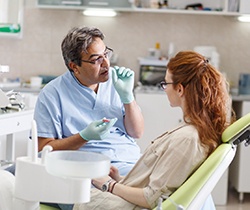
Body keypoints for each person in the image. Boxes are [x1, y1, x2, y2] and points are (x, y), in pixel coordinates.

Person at [73, 51, 234, 210]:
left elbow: (151, 198)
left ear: (180, 89)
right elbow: (163, 182)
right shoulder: (195, 132)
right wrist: (121, 179)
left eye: (166, 84)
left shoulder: (187, 138)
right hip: (135, 194)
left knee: (76, 196)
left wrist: (109, 185)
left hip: (137, 204)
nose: (164, 89)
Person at [33, 26, 144, 209]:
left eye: (106, 54)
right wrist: (83, 137)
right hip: (84, 171)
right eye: (96, 60)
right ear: (74, 66)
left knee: (166, 192)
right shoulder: (53, 94)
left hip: (128, 165)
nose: (106, 64)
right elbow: (43, 149)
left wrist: (128, 98)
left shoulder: (115, 83)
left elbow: (137, 132)